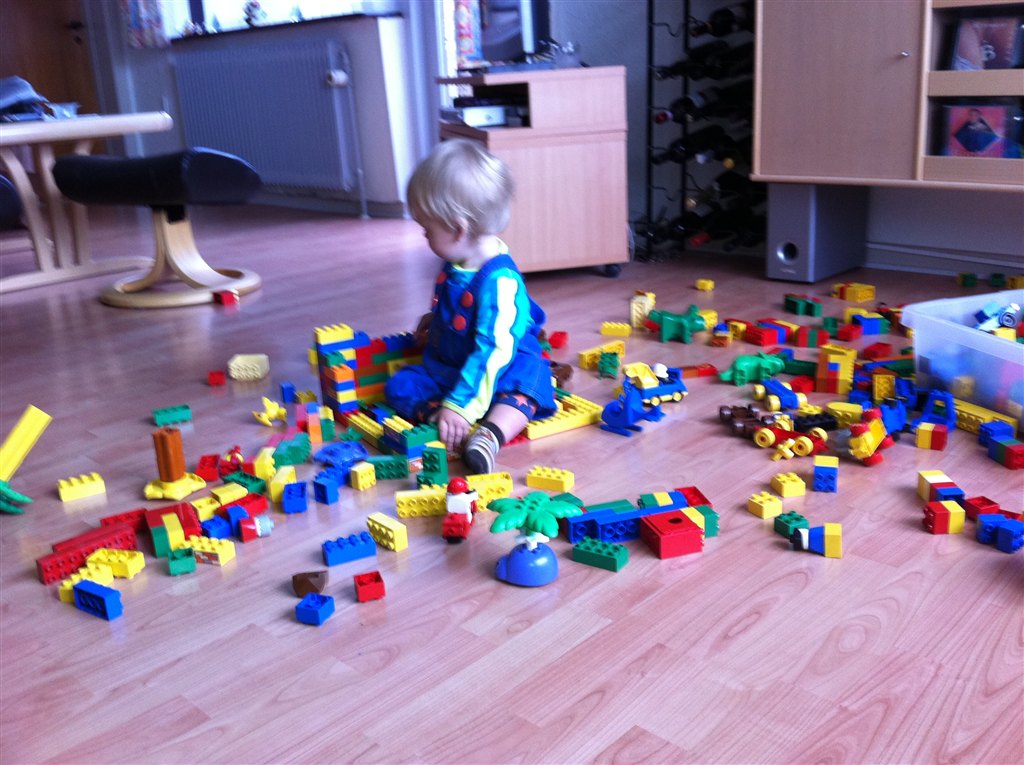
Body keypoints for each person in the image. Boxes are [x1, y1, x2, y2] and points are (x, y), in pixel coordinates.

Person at [385, 139, 556, 474]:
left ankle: (490, 434)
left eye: (427, 230)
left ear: (457, 229)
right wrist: (435, 321)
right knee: (400, 384)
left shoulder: (500, 282)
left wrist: (462, 405)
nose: (424, 237)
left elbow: (494, 351)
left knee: (532, 381)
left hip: (501, 365)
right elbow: (453, 310)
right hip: (453, 366)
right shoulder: (457, 262)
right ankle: (443, 418)